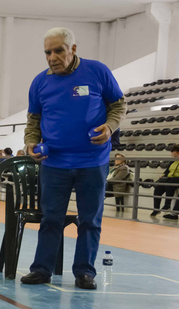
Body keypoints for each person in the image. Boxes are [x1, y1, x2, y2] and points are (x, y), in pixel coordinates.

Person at [21, 27, 124, 289]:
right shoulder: (39, 82)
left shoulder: (97, 71)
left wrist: (110, 126)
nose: (52, 57)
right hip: (54, 163)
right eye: (47, 52)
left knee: (90, 219)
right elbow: (34, 121)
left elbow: (118, 104)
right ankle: (42, 269)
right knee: (51, 218)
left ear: (73, 49)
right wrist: (30, 142)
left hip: (93, 161)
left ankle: (84, 272)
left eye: (58, 50)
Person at [150, 145, 179, 220]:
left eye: (178, 152)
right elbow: (167, 171)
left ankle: (167, 204)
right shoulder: (172, 161)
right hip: (170, 178)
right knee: (158, 187)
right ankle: (156, 208)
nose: (175, 154)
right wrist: (163, 175)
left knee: (170, 183)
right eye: (174, 152)